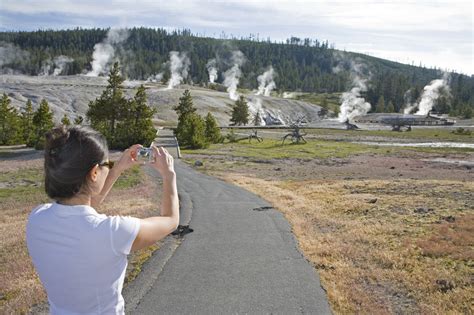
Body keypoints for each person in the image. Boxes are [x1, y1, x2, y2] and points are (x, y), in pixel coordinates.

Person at [26, 125, 179, 314]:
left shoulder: (37, 218)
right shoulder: (114, 232)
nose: (110, 167)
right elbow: (170, 220)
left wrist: (118, 169)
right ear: (94, 173)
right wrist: (169, 175)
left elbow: (82, 208)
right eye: (107, 165)